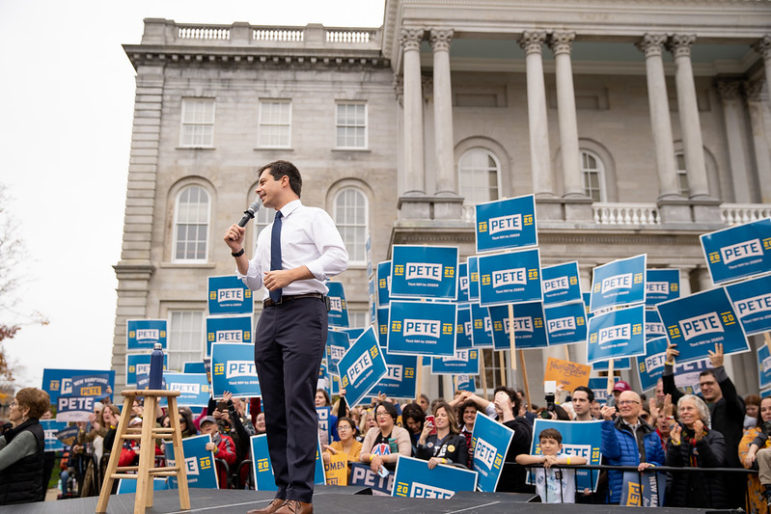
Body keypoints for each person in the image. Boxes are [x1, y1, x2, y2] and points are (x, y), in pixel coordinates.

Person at [225, 160, 348, 514]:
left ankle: (301, 497)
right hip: (271, 315)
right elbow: (255, 281)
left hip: (305, 311)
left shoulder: (313, 217)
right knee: (274, 407)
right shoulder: (265, 233)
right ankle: (282, 492)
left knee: (297, 402)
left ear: (284, 180)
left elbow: (339, 257)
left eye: (262, 182)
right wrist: (238, 252)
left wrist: (291, 274)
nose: (258, 188)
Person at [664, 342, 745, 508]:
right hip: (698, 481)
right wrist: (668, 363)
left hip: (729, 475)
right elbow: (670, 391)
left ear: (719, 384)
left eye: (710, 383)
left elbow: (731, 395)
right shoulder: (695, 406)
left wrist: (719, 368)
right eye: (702, 384)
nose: (705, 387)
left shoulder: (732, 406)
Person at [599, 389, 665, 505]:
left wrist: (651, 465)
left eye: (629, 402)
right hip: (620, 495)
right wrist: (608, 422)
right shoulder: (611, 428)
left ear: (639, 406)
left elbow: (661, 462)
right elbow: (610, 453)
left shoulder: (651, 433)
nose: (624, 405)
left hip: (647, 494)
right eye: (621, 402)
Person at [665, 394, 727, 508]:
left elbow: (714, 465)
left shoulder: (715, 436)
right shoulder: (676, 435)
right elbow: (672, 468)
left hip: (709, 495)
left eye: (689, 408)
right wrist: (676, 444)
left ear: (701, 412)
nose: (685, 412)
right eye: (682, 409)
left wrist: (700, 442)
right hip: (683, 496)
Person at [0, 387, 50, 504]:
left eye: (14, 404)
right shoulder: (23, 430)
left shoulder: (27, 435)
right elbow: (4, 440)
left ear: (25, 410)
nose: (10, 407)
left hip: (19, 503)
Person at [516, 427, 588, 503]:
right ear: (540, 446)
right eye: (543, 442)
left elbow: (583, 460)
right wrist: (541, 460)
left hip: (565, 505)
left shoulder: (564, 457)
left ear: (560, 447)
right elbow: (519, 458)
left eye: (551, 442)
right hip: (543, 505)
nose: (547, 445)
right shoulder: (537, 458)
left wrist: (558, 461)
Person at [492, 387, 533, 493]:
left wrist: (506, 409)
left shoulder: (521, 422)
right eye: (497, 400)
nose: (499, 403)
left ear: (513, 403)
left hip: (515, 483)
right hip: (495, 482)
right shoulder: (491, 424)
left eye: (503, 399)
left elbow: (520, 438)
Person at [359, 401, 411, 473]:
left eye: (385, 413)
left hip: (394, 474)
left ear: (393, 417)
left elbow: (405, 455)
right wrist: (373, 458)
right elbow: (362, 455)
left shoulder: (401, 432)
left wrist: (381, 458)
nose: (381, 416)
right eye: (378, 414)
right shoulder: (372, 432)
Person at [740, 395, 771, 513]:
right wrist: (752, 453)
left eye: (770, 408)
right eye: (763, 410)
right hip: (760, 497)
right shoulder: (752, 433)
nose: (767, 412)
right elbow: (748, 462)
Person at [415, 401, 468, 469]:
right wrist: (422, 438)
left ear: (450, 418)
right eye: (437, 415)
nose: (439, 418)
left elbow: (462, 466)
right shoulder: (429, 439)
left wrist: (442, 461)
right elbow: (418, 462)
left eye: (443, 415)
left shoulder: (459, 440)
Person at [200, 416, 237, 489]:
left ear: (216, 427)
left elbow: (232, 458)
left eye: (210, 423)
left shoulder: (226, 439)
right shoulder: (198, 443)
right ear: (201, 431)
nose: (207, 426)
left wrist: (216, 451)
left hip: (222, 486)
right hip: (204, 485)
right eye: (204, 425)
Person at [322, 417, 361, 483]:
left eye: (345, 427)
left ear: (353, 431)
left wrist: (337, 453)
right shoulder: (334, 445)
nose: (342, 430)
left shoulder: (360, 446)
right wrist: (324, 456)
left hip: (354, 485)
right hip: (335, 485)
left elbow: (358, 461)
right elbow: (326, 456)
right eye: (339, 428)